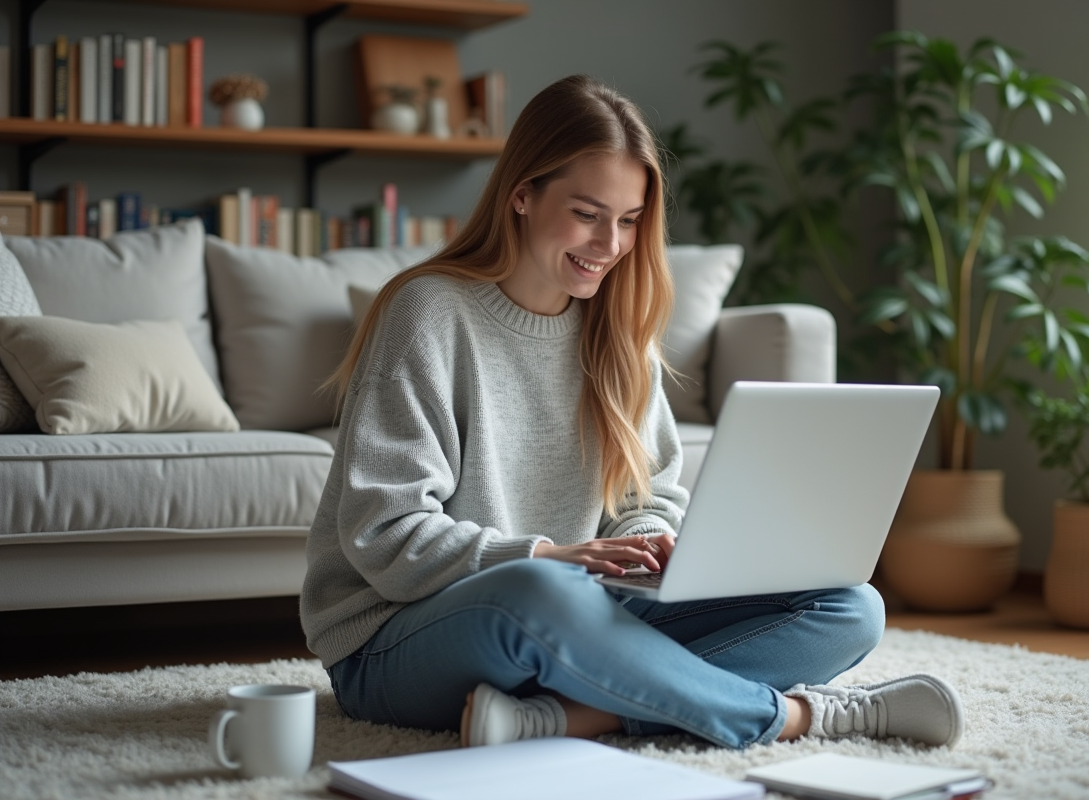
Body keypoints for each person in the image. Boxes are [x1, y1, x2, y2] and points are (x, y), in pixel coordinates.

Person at [299, 74, 965, 751]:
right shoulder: (428, 312)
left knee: (849, 605)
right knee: (541, 590)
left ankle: (579, 715)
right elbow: (385, 532)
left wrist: (649, 546)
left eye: (628, 219)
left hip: (574, 614)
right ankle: (801, 717)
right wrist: (548, 556)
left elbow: (646, 496)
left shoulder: (616, 330)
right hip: (396, 642)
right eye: (588, 214)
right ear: (522, 194)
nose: (610, 244)